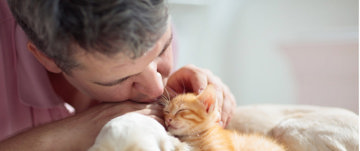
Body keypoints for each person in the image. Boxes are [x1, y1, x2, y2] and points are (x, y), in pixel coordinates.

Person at [0, 0, 236, 150]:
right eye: (121, 79)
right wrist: (75, 131)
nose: (156, 88)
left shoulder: (142, 21)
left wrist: (186, 102)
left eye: (163, 50)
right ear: (47, 58)